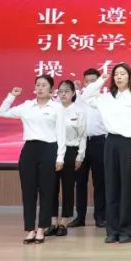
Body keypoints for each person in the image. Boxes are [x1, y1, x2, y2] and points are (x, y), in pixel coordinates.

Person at [82, 63, 131, 244]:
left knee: (127, 187)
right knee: (111, 187)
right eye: (116, 74)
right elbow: (85, 97)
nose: (119, 77)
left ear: (129, 77)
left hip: (128, 143)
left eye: (123, 74)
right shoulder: (106, 98)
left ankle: (127, 230)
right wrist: (100, 81)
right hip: (110, 142)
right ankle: (112, 230)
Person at [0, 75, 66, 244]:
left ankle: (42, 228)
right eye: (38, 85)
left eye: (44, 85)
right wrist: (12, 96)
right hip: (29, 150)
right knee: (28, 191)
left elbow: (61, 134)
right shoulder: (27, 106)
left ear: (51, 90)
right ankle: (30, 229)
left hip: (49, 149)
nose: (40, 88)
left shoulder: (57, 108)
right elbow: (2, 112)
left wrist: (60, 157)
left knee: (47, 191)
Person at [72, 67, 107, 229]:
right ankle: (80, 217)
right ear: (84, 82)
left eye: (94, 81)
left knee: (100, 182)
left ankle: (100, 216)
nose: (91, 84)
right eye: (88, 81)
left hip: (99, 143)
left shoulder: (105, 100)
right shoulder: (78, 99)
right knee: (80, 182)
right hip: (80, 143)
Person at [51, 80, 87, 235]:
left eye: (66, 91)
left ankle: (64, 222)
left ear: (73, 93)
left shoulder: (79, 111)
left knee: (68, 187)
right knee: (51, 187)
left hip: (71, 151)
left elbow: (83, 135)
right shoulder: (53, 109)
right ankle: (52, 222)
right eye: (60, 91)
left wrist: (80, 156)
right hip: (53, 151)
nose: (63, 94)